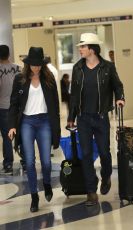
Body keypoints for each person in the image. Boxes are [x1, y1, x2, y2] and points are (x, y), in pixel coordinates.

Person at [67, 33, 125, 206]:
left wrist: (120, 97)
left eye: (83, 46)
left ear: (92, 49)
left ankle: (106, 176)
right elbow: (74, 95)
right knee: (85, 154)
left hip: (100, 118)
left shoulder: (107, 67)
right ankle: (91, 191)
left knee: (104, 152)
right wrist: (71, 116)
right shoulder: (77, 68)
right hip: (83, 118)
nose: (80, 49)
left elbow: (117, 85)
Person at [8, 47, 61, 212]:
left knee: (46, 161)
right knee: (29, 162)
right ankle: (34, 196)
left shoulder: (49, 79)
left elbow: (55, 104)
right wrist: (12, 126)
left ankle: (46, 183)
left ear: (42, 64)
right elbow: (14, 104)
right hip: (27, 123)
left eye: (39, 64)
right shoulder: (20, 79)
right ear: (28, 63)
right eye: (33, 64)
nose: (36, 67)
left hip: (45, 121)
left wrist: (56, 126)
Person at [0, 45, 26, 175]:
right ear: (9, 54)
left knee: (7, 137)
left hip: (4, 107)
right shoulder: (19, 69)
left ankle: (8, 165)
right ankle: (26, 162)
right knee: (22, 135)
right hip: (19, 107)